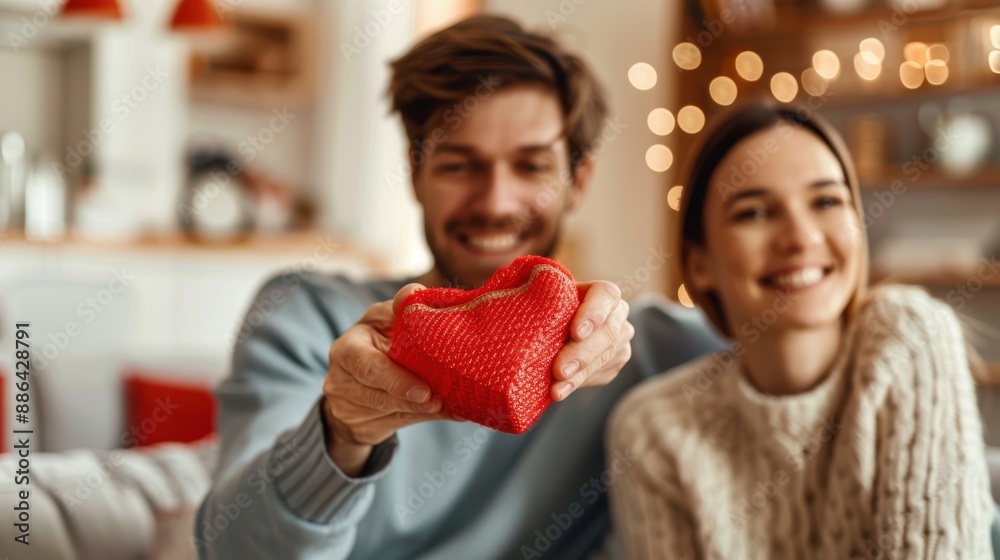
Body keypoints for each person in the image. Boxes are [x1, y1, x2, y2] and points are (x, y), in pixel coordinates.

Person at [195, 15, 724, 559]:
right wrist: (341, 434)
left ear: (578, 180)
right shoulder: (308, 318)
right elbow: (236, 548)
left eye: (531, 165)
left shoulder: (646, 348)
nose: (495, 201)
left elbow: (804, 366)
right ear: (415, 172)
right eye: (459, 165)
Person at [607, 101, 1000, 559]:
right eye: (753, 213)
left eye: (827, 201)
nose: (801, 238)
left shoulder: (909, 339)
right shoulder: (653, 431)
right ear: (699, 264)